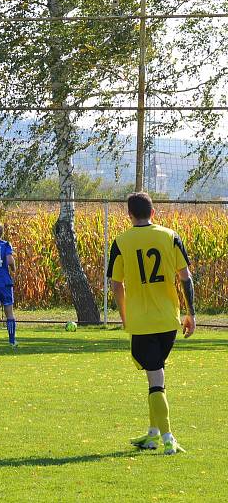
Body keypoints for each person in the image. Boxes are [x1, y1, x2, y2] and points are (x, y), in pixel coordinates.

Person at [107, 192, 195, 455]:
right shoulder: (170, 236)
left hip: (142, 322)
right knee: (156, 374)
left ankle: (168, 437)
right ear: (153, 212)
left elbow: (116, 283)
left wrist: (124, 316)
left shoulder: (121, 242)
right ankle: (153, 434)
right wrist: (191, 313)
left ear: (129, 215)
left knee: (155, 377)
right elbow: (185, 277)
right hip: (169, 320)